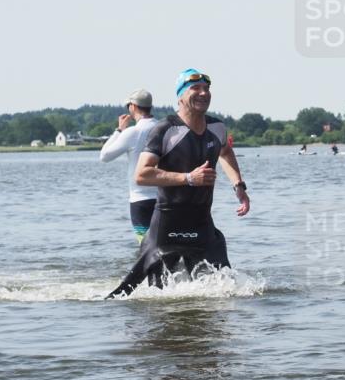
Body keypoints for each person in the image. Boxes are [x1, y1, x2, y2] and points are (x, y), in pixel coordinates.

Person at [107, 70, 250, 298]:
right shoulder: (165, 129)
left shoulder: (217, 128)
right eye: (196, 88)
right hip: (167, 225)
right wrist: (188, 178)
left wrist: (239, 186)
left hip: (202, 223)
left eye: (207, 89)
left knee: (228, 292)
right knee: (147, 296)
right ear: (180, 96)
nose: (204, 93)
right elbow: (142, 175)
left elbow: (225, 151)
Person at [99, 89, 160, 242]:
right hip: (166, 198)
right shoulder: (163, 128)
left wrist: (119, 130)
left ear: (133, 106)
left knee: (145, 247)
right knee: (168, 246)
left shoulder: (133, 132)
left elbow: (104, 156)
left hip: (141, 200)